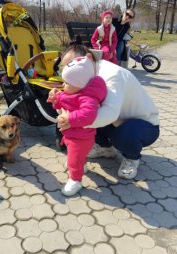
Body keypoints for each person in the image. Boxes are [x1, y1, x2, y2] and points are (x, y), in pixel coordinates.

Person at [58, 42, 160, 180]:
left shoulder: (112, 75)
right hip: (117, 119)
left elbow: (109, 114)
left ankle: (131, 158)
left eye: (72, 63)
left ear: (88, 58)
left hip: (144, 125)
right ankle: (105, 147)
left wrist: (72, 120)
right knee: (88, 116)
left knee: (124, 133)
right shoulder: (86, 75)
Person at [47, 56, 107, 196]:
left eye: (67, 83)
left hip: (81, 138)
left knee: (73, 160)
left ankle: (75, 180)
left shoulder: (87, 98)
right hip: (72, 135)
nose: (63, 85)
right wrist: (55, 99)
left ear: (80, 84)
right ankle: (82, 165)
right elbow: (62, 102)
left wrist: (70, 118)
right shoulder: (74, 91)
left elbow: (88, 115)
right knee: (77, 157)